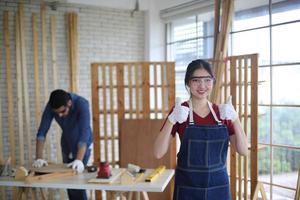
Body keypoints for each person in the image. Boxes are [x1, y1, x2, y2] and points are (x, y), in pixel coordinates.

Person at [154, 59, 248, 200]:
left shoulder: (222, 112)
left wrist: (235, 118)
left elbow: (243, 150)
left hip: (218, 188)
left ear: (213, 81)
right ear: (188, 83)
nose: (202, 85)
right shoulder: (180, 112)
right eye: (196, 80)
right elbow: (158, 152)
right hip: (188, 188)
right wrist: (171, 120)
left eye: (207, 80)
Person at [32, 89, 93, 200]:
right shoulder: (52, 105)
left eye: (63, 111)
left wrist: (79, 160)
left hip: (82, 146)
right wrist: (39, 158)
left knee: (77, 182)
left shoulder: (82, 104)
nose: (60, 115)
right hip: (66, 143)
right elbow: (42, 132)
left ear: (69, 103)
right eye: (57, 113)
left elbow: (84, 134)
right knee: (69, 182)